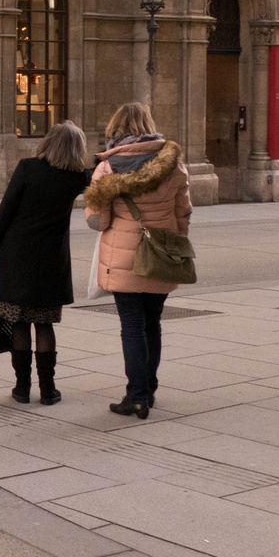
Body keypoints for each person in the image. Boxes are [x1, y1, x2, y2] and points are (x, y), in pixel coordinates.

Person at [84, 103, 192, 420]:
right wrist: (175, 240)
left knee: (132, 327)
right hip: (161, 253)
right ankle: (150, 388)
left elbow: (98, 222)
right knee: (152, 323)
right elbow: (183, 213)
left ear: (117, 129)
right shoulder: (173, 164)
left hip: (123, 256)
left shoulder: (107, 169)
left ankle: (136, 396)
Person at [0, 121, 93, 405]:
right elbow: (102, 168)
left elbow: (5, 212)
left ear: (48, 141)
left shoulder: (28, 168)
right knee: (44, 325)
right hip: (52, 262)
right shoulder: (77, 177)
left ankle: (22, 388)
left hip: (17, 258)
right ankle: (49, 390)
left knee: (18, 323)